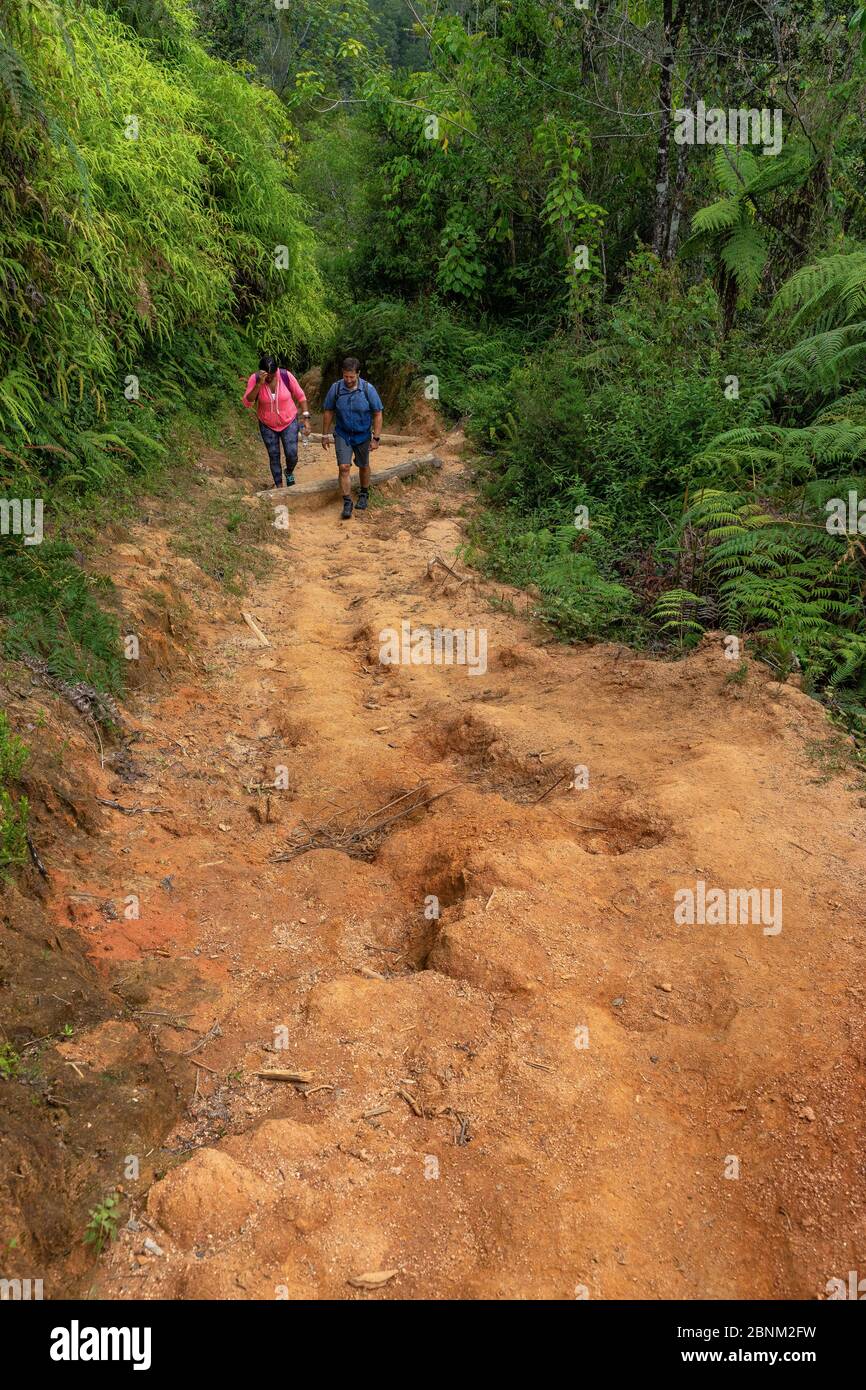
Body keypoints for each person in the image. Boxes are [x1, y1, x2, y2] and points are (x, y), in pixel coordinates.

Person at [321, 357, 384, 520]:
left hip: (363, 434)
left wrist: (376, 438)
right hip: (343, 433)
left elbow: (377, 413)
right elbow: (328, 411)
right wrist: (325, 434)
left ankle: (364, 493)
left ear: (358, 374)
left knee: (363, 465)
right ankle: (347, 501)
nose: (348, 380)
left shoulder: (368, 389)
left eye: (352, 377)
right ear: (342, 374)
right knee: (344, 467)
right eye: (345, 376)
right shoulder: (336, 389)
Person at [243, 355, 310, 488]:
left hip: (289, 421)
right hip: (267, 424)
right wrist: (258, 385)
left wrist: (306, 418)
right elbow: (248, 402)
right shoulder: (255, 379)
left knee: (292, 454)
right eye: (267, 375)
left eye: (273, 374)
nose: (270, 378)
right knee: (274, 456)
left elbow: (301, 396)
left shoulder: (286, 376)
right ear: (261, 372)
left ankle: (289, 472)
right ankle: (279, 487)